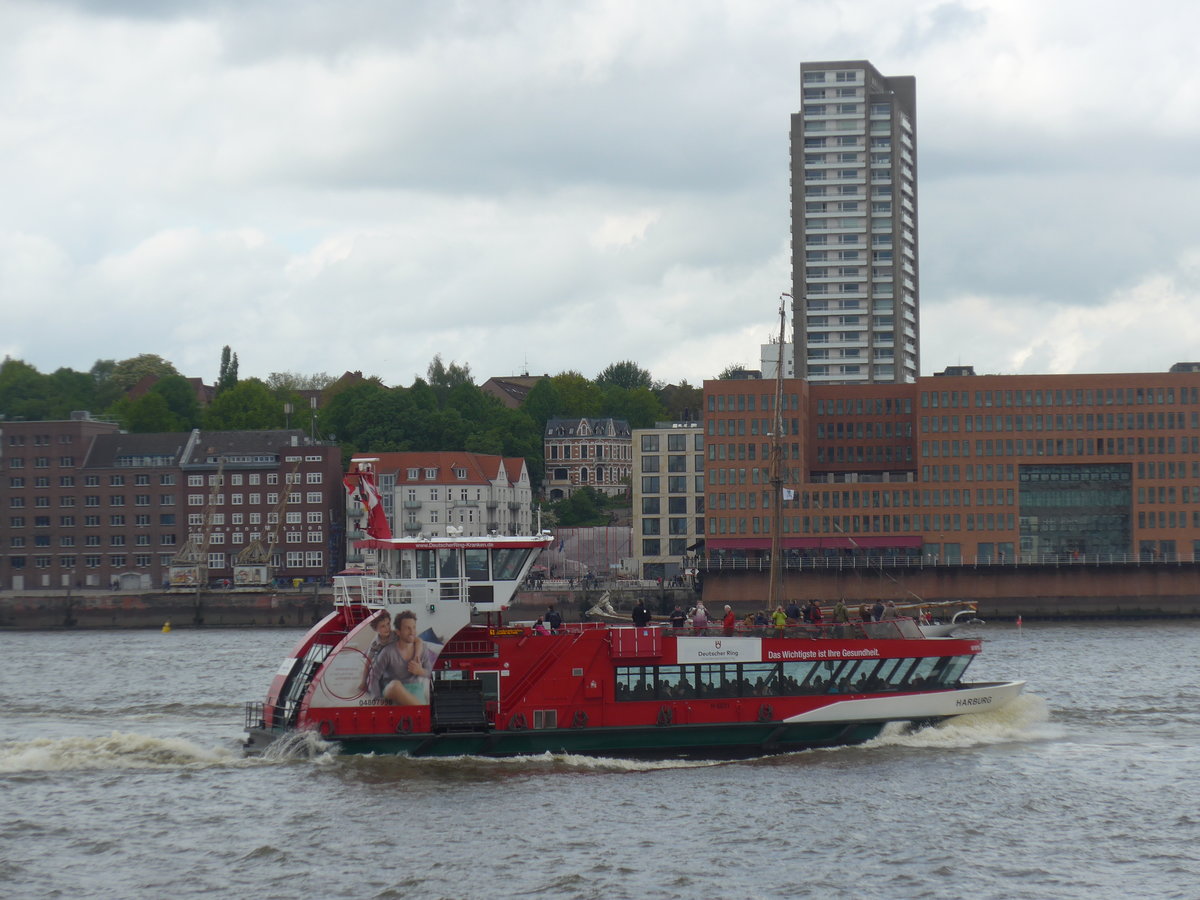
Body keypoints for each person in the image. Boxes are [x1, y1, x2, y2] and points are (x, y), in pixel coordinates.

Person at [367, 610, 435, 705]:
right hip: (391, 689)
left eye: (414, 627)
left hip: (414, 688)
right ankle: (419, 709)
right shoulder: (387, 651)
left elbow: (430, 673)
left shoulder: (422, 648)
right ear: (398, 632)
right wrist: (376, 697)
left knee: (419, 702)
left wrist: (420, 671)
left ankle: (416, 708)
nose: (412, 632)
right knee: (395, 685)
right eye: (407, 628)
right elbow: (373, 676)